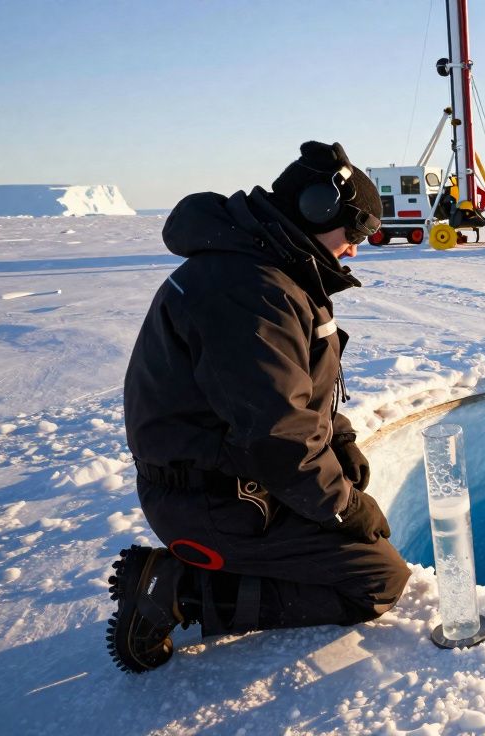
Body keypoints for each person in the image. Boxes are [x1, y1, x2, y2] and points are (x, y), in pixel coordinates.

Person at [111, 141, 410, 673]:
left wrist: (337, 436)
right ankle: (178, 588)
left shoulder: (271, 270)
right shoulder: (247, 289)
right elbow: (278, 436)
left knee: (352, 524)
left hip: (227, 476)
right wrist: (342, 506)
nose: (356, 250)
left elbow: (295, 392)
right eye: (358, 233)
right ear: (319, 209)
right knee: (377, 580)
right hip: (208, 497)